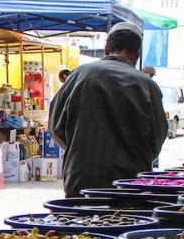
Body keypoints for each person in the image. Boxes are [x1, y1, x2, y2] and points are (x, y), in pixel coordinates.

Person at [48, 22, 167, 198]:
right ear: (138, 53)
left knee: (81, 216)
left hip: (82, 178)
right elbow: (157, 137)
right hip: (129, 183)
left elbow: (55, 125)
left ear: (106, 49)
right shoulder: (147, 85)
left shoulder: (79, 75)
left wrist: (79, 150)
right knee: (124, 217)